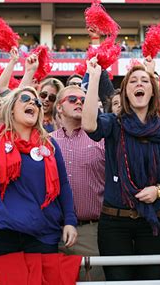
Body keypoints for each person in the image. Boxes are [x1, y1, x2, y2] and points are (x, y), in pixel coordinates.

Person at [0, 86, 77, 262]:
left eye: (37, 103)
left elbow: (63, 185)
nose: (33, 103)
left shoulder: (49, 144)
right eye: (26, 99)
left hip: (43, 234)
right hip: (3, 234)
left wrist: (70, 221)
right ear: (11, 109)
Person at [82, 60, 160, 281]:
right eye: (132, 81)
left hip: (154, 221)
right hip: (115, 223)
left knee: (153, 280)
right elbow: (88, 124)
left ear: (153, 91)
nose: (138, 84)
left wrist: (159, 190)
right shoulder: (114, 123)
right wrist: (94, 77)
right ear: (125, 93)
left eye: (144, 80)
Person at [51, 85, 106, 280]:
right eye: (72, 99)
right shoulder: (45, 142)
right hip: (51, 232)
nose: (79, 102)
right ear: (59, 107)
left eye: (83, 100)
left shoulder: (101, 139)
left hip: (90, 232)